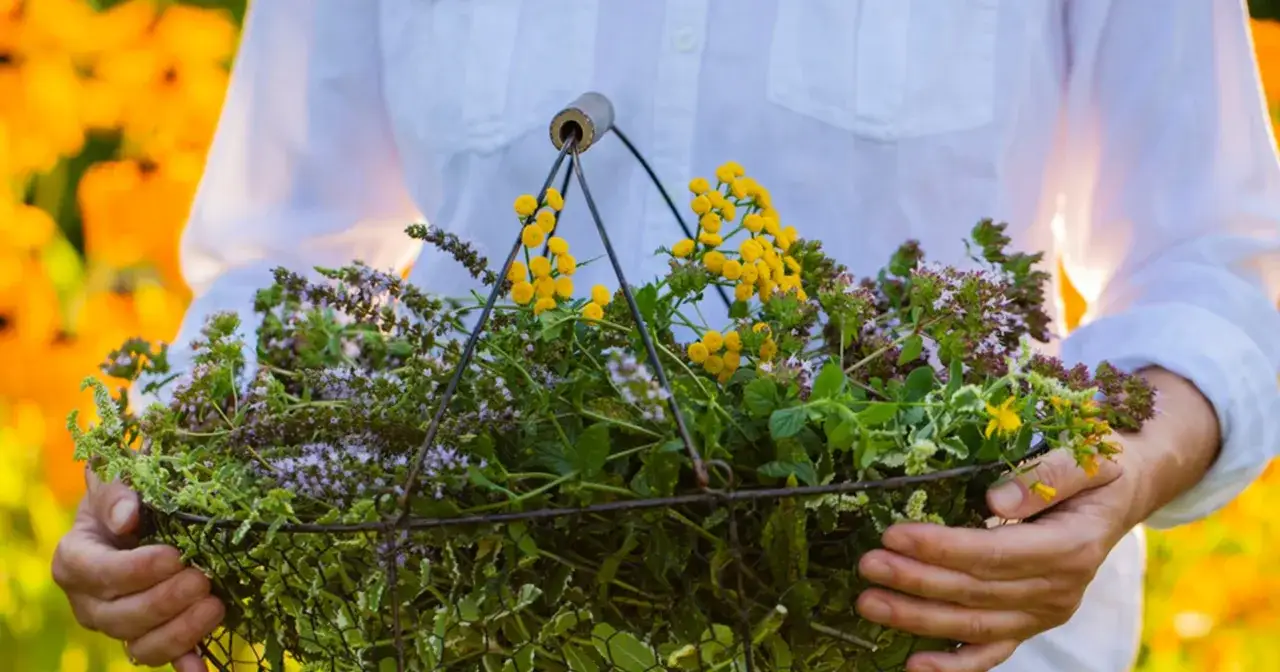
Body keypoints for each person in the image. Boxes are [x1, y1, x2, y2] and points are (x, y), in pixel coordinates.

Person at [51, 1, 1280, 670]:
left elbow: (1211, 259)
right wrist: (170, 480)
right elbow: (286, 260)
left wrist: (1110, 474)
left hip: (914, 641)